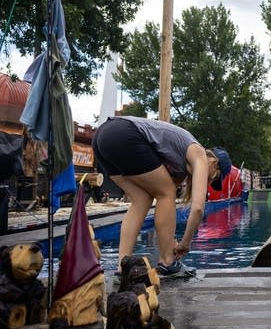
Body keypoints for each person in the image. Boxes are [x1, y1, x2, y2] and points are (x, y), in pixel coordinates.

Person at [92, 116, 231, 278]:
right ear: (214, 162)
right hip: (123, 133)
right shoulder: (198, 153)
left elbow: (164, 209)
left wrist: (170, 241)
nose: (209, 180)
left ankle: (123, 267)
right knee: (167, 193)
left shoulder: (180, 169)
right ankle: (167, 263)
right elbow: (198, 209)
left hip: (102, 136)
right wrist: (186, 243)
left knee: (141, 200)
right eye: (214, 177)